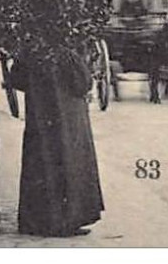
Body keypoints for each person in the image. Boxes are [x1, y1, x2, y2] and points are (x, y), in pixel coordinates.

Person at [7, 43, 104, 237]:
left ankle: (35, 222)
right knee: (68, 165)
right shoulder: (68, 52)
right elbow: (83, 84)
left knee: (39, 166)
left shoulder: (29, 51)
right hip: (68, 120)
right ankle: (65, 222)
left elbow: (16, 80)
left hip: (40, 121)